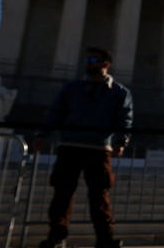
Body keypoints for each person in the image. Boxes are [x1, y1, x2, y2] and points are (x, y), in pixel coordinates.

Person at [35, 47, 134, 248]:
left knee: (100, 196)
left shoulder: (119, 92)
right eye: (87, 59)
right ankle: (56, 235)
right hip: (70, 145)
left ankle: (105, 239)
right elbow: (56, 111)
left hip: (99, 149)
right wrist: (42, 134)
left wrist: (120, 142)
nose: (88, 63)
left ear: (106, 64)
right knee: (62, 194)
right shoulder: (71, 88)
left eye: (94, 59)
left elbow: (125, 119)